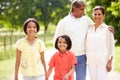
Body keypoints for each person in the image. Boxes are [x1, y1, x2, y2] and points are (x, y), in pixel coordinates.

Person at [53, 0, 114, 80]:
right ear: (74, 8)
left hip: (82, 57)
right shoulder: (63, 22)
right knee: (64, 78)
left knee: (81, 78)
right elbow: (56, 40)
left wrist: (108, 28)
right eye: (81, 9)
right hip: (67, 56)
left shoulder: (86, 20)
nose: (83, 11)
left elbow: (97, 26)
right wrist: (61, 55)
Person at [86, 6, 115, 80]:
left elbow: (111, 47)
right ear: (92, 15)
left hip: (102, 62)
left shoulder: (108, 29)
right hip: (91, 61)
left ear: (103, 15)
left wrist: (109, 62)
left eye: (99, 14)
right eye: (95, 14)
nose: (97, 16)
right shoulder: (89, 28)